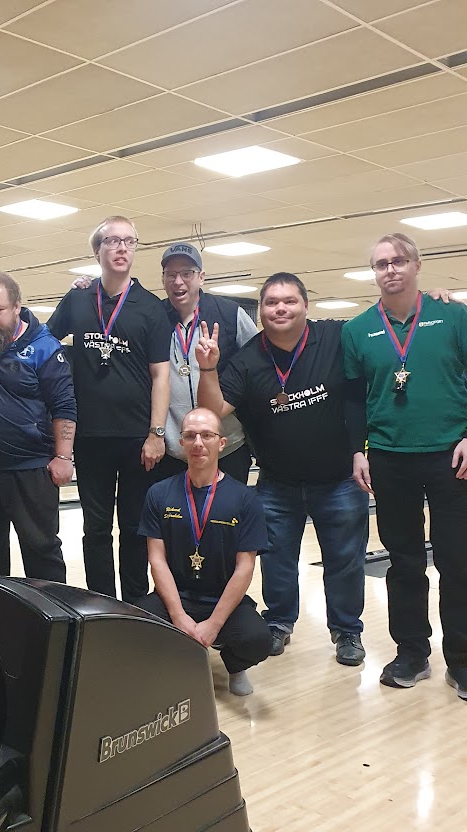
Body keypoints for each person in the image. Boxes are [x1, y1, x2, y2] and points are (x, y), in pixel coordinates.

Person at [195, 272, 370, 666]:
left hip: (338, 478)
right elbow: (212, 410)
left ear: (306, 305)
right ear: (260, 310)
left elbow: (383, 321)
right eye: (271, 302)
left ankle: (347, 631)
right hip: (278, 481)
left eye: (289, 300)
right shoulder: (247, 359)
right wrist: (207, 370)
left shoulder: (335, 336)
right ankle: (278, 623)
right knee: (276, 560)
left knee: (345, 561)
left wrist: (434, 298)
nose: (280, 308)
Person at [343, 232, 467, 700]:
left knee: (458, 560)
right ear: (373, 272)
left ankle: (462, 658)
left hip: (451, 455)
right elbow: (353, 399)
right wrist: (358, 450)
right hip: (389, 457)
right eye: (381, 264)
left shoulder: (453, 316)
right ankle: (412, 652)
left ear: (416, 265)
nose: (390, 269)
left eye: (398, 261)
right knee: (405, 562)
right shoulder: (358, 330)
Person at [47, 216, 172, 602]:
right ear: (97, 250)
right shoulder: (78, 299)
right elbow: (44, 341)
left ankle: (134, 604)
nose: (122, 248)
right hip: (90, 436)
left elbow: (161, 375)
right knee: (96, 529)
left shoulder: (151, 308)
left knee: (134, 528)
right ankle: (100, 603)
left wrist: (156, 433)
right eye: (112, 241)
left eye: (129, 241)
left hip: (137, 438)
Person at [73, 241, 257, 482]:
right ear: (163, 280)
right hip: (172, 450)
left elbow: (258, 364)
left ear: (201, 277)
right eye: (171, 275)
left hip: (226, 447)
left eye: (187, 273)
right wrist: (88, 290)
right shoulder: (152, 315)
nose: (178, 281)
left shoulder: (230, 314)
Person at [137, 408, 271, 696]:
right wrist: (178, 615)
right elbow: (156, 560)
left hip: (222, 599)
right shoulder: (159, 493)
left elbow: (245, 567)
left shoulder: (245, 499)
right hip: (176, 596)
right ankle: (179, 655)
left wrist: (214, 623)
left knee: (259, 640)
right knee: (133, 628)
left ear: (221, 443)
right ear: (181, 443)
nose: (198, 443)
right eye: (190, 436)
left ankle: (235, 664)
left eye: (207, 435)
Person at [0, 272, 76, 583]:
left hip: (29, 469)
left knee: (41, 552)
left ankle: (51, 612)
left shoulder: (44, 347)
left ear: (16, 308)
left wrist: (63, 457)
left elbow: (64, 405)